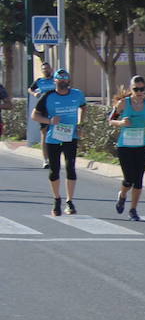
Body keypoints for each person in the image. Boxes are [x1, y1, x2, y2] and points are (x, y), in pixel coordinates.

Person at [31, 69, 85, 216]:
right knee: (54, 170)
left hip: (71, 137)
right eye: (59, 80)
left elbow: (83, 107)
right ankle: (56, 199)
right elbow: (34, 115)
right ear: (54, 81)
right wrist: (49, 121)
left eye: (64, 80)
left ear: (68, 81)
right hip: (53, 138)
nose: (62, 83)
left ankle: (70, 201)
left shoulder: (77, 94)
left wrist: (81, 125)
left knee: (70, 167)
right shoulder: (48, 96)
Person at [109, 75, 145, 221]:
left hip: (141, 145)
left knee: (139, 180)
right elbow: (110, 120)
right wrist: (122, 123)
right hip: (125, 146)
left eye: (142, 89)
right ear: (131, 89)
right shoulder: (123, 103)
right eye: (136, 89)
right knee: (128, 178)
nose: (139, 92)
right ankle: (122, 195)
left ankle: (133, 210)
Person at [29, 61, 55, 166]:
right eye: (44, 69)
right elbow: (30, 89)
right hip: (43, 110)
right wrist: (35, 93)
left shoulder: (55, 80)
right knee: (44, 134)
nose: (46, 70)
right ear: (42, 70)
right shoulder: (39, 81)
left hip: (55, 109)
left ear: (51, 69)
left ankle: (55, 156)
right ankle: (45, 160)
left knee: (56, 133)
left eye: (47, 68)